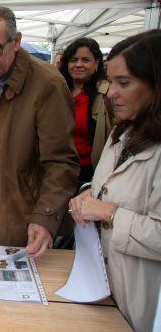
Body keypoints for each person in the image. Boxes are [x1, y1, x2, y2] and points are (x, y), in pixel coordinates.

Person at [0, 6, 79, 258]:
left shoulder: (48, 84)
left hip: (19, 208)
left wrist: (45, 216)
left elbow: (61, 163)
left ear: (16, 42)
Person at [69, 30, 161, 332]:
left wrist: (108, 213)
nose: (111, 93)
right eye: (112, 82)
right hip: (105, 288)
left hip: (141, 300)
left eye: (124, 83)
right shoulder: (122, 131)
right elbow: (108, 187)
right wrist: (86, 195)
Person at [60, 38, 113, 184]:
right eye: (73, 60)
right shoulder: (56, 90)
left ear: (96, 63)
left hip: (88, 173)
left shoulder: (108, 94)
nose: (78, 64)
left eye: (85, 60)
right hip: (55, 168)